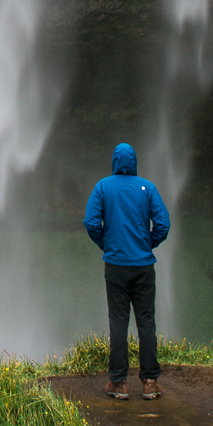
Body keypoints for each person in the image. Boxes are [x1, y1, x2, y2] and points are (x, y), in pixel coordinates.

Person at [83, 142, 170, 401]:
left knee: (118, 322)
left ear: (114, 161)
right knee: (146, 323)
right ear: (134, 162)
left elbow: (90, 222)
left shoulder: (102, 187)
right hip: (143, 266)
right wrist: (148, 243)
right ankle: (150, 382)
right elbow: (163, 224)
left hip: (116, 266)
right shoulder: (148, 187)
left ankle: (119, 383)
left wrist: (106, 243)